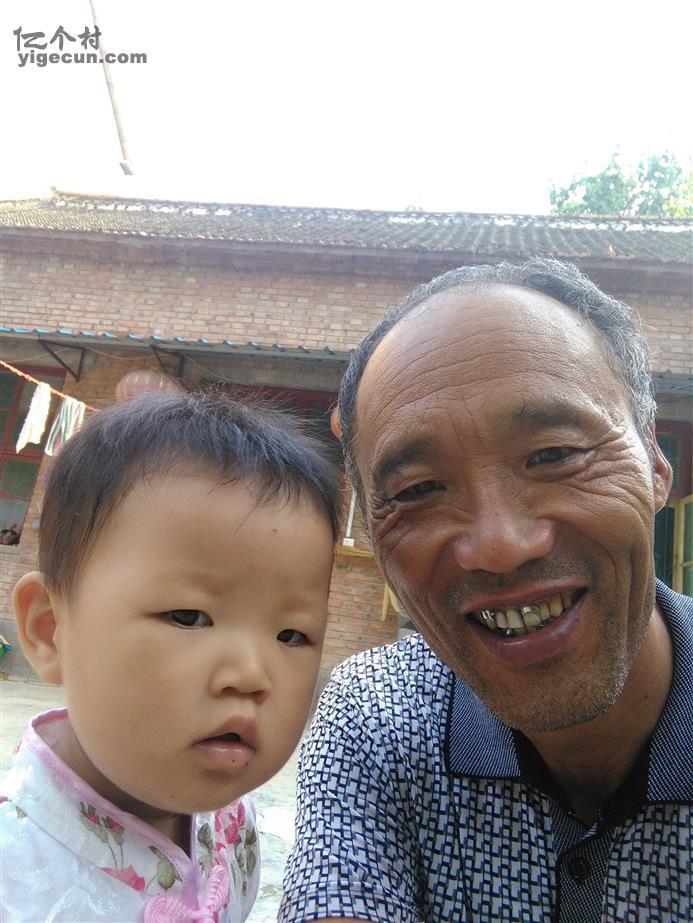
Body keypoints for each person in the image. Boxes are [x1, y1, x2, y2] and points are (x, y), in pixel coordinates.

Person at [280, 258, 692, 922]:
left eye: (555, 454)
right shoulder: (378, 715)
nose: (500, 545)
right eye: (418, 489)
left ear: (654, 464)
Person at [1, 390, 340, 922]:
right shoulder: (15, 872)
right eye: (188, 616)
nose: (251, 675)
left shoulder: (233, 825)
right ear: (50, 630)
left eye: (292, 635)